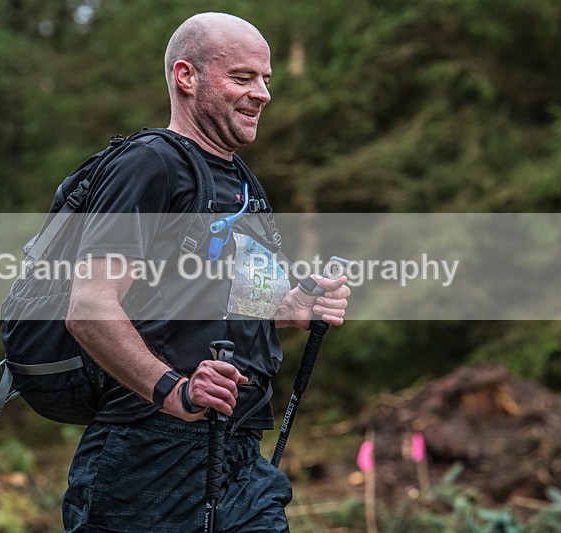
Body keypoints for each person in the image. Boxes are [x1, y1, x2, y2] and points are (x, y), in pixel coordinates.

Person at [61, 12, 351, 532]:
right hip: (147, 456)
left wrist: (295, 308)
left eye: (266, 79)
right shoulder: (149, 164)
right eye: (243, 78)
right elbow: (89, 307)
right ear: (186, 76)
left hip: (240, 454)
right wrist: (174, 390)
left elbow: (236, 300)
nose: (262, 93)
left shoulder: (242, 183)